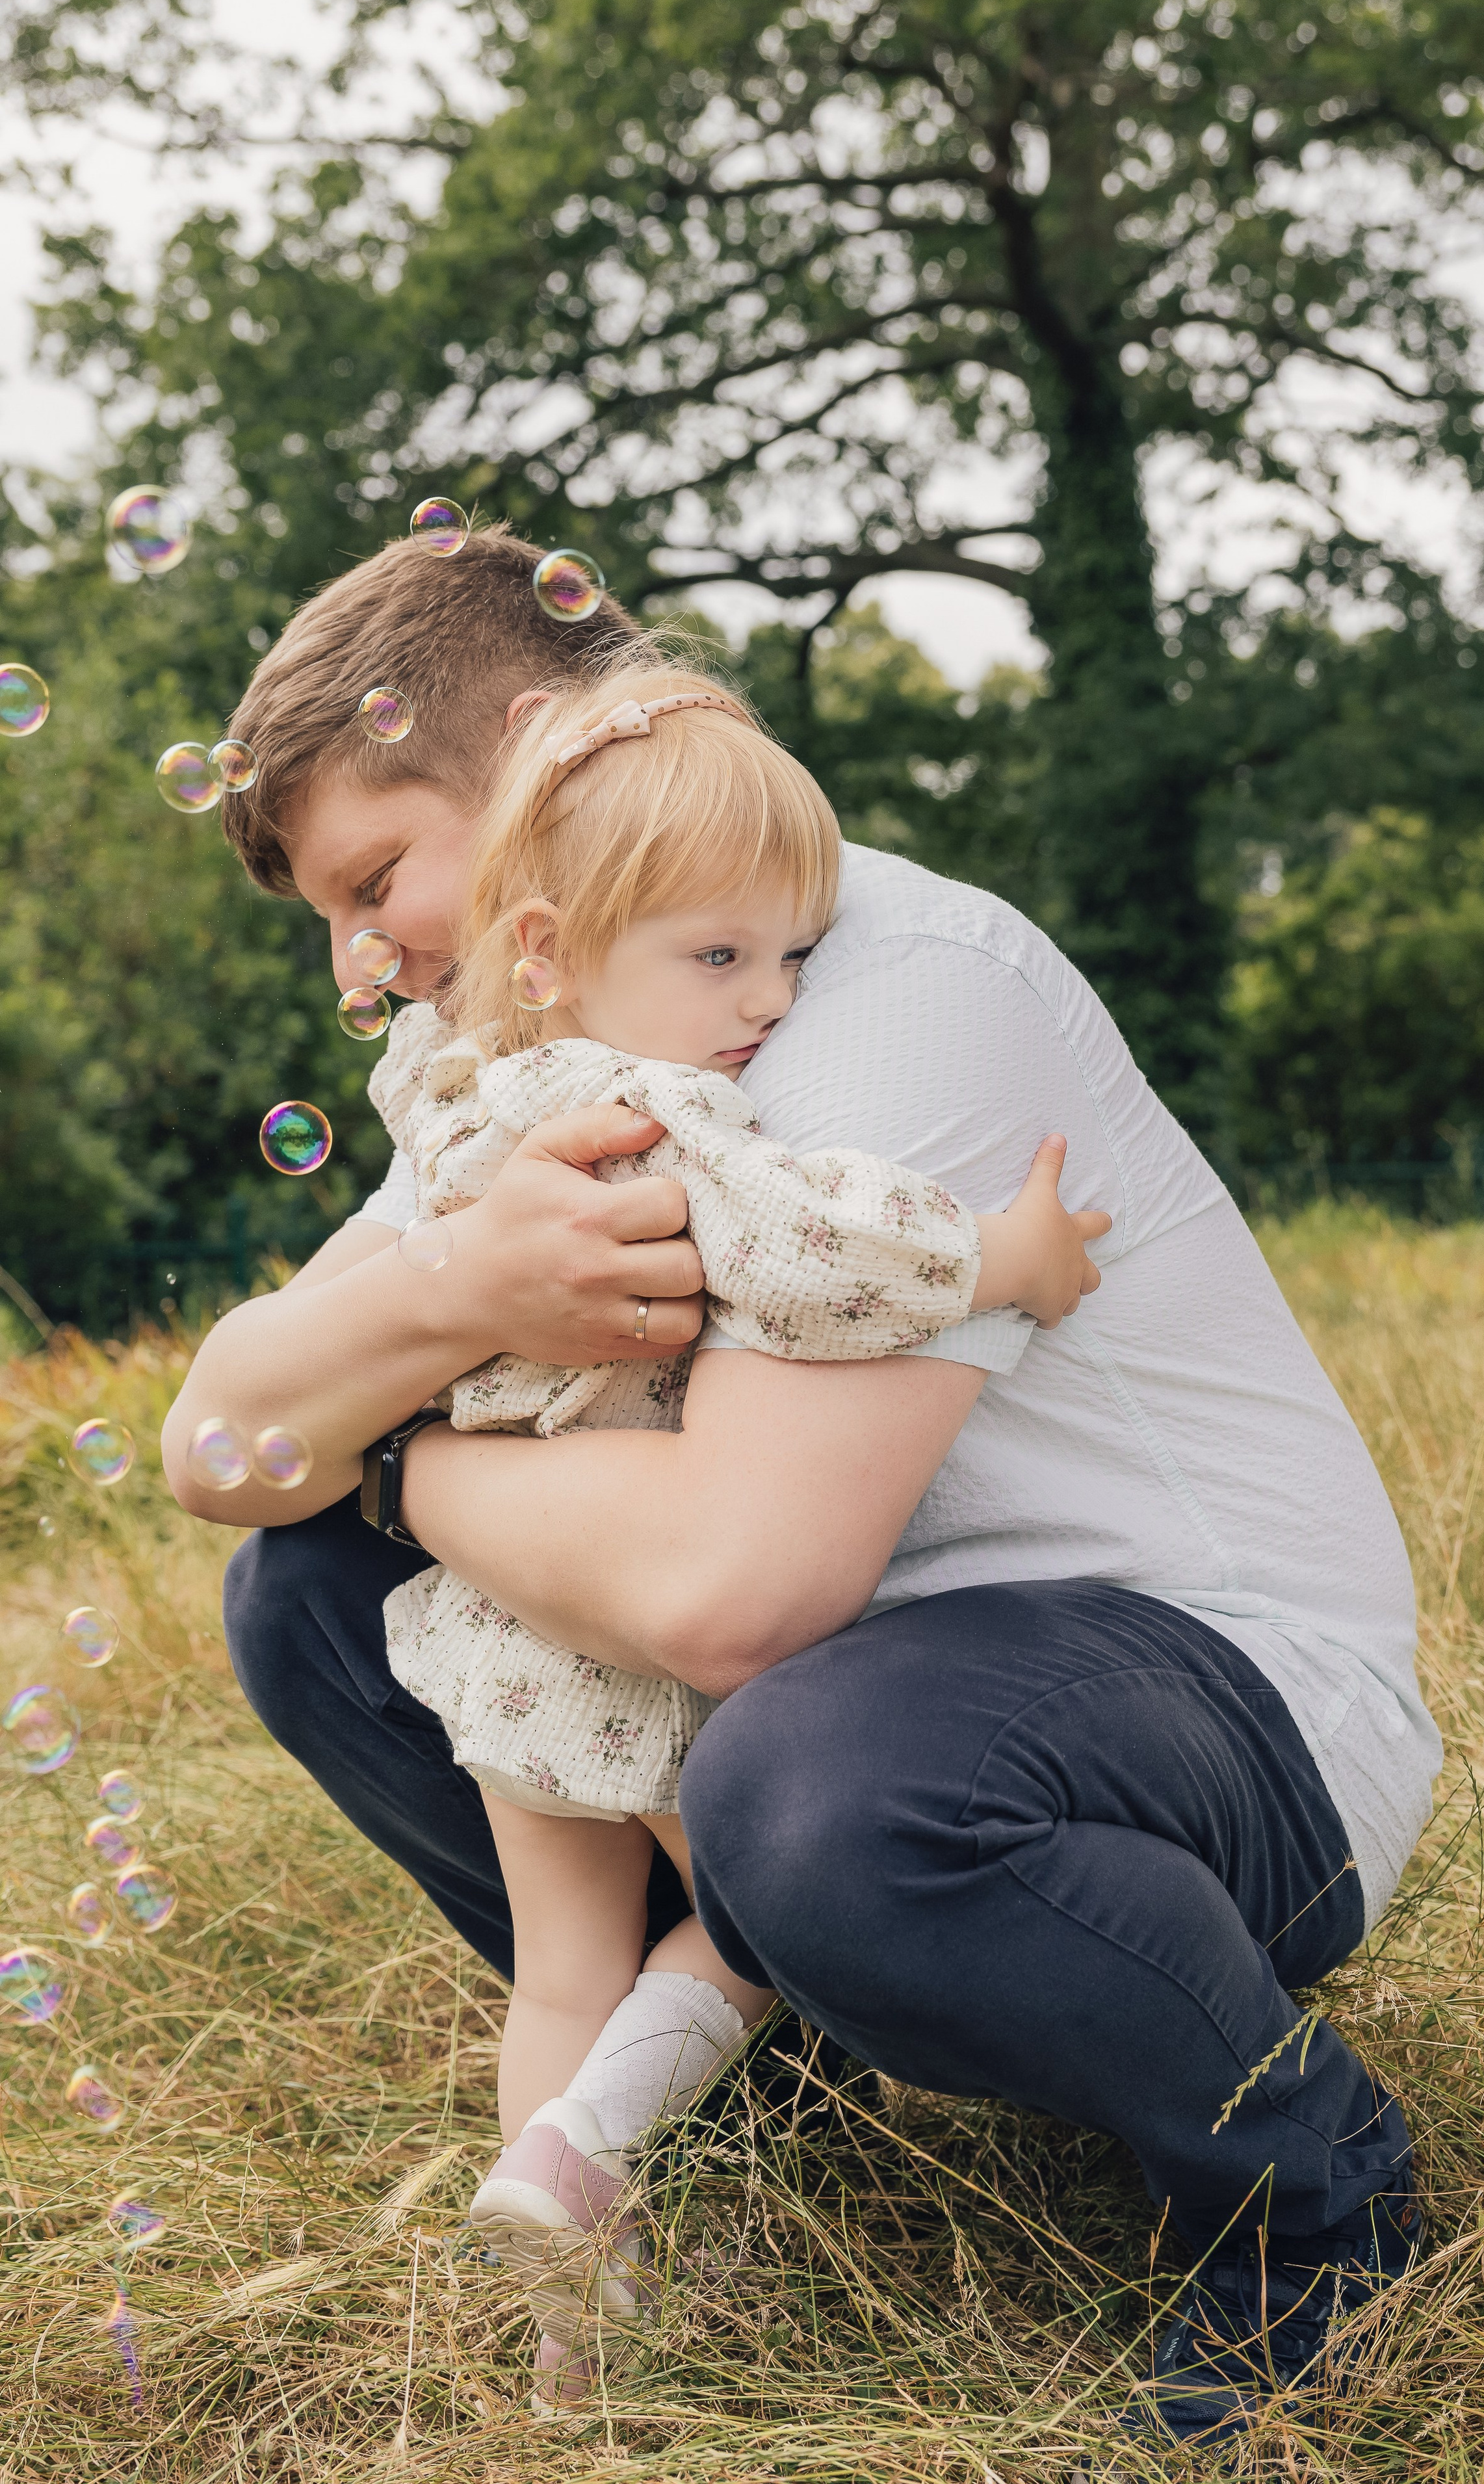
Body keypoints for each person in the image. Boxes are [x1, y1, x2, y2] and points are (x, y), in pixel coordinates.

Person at [165, 524, 1443, 2446]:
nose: (365, 967)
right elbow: (213, 1439)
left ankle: (1312, 2193)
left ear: (532, 744)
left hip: (1228, 1700)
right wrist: (457, 1291)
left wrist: (401, 1462)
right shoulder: (538, 1035)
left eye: (373, 879)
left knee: (802, 1766)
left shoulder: (876, 983)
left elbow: (739, 1590)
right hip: (898, 1694)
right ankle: (756, 2119)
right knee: (303, 1602)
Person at [355, 653, 1108, 2394]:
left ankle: (563, 2326)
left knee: (563, 1965)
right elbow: (813, 1252)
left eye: (789, 953)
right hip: (633, 1631)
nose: (769, 1002)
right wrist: (1010, 1260)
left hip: (506, 1643)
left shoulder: (457, 1094)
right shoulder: (658, 1109)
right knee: (777, 1916)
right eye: (719, 956)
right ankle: (589, 2153)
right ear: (546, 949)